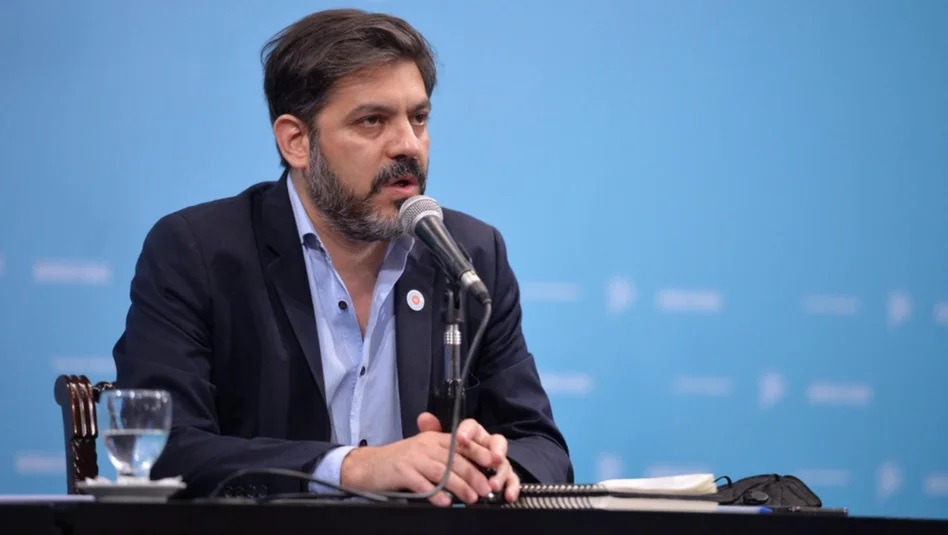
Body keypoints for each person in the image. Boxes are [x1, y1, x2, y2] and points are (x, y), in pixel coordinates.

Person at [112, 8, 573, 506]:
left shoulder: (469, 256)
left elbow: (542, 447)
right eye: (372, 121)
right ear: (297, 141)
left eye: (419, 119)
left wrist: (495, 464)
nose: (408, 145)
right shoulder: (199, 253)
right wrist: (351, 468)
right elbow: (163, 451)